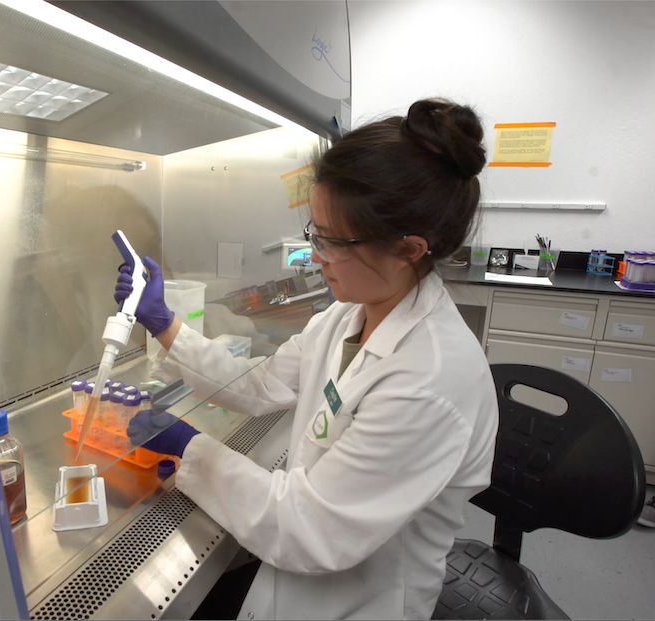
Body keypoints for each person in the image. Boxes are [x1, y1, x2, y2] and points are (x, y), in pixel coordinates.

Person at [117, 99, 500, 620]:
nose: (314, 255)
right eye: (313, 232)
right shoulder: (349, 316)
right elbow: (259, 385)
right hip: (296, 583)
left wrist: (191, 451)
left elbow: (309, 529)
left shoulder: (430, 379)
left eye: (332, 241)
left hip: (362, 603)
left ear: (409, 249)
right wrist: (162, 323)